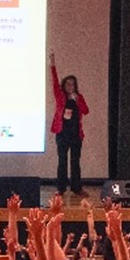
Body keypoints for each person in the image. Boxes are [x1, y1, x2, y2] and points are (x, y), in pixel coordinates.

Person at [49, 52, 89, 195]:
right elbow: (54, 81)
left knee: (75, 162)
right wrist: (52, 65)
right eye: (68, 83)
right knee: (62, 161)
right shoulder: (60, 96)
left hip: (76, 134)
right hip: (62, 134)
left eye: (73, 84)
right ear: (64, 85)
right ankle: (60, 188)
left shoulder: (79, 97)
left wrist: (77, 100)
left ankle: (76, 188)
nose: (70, 86)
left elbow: (86, 111)